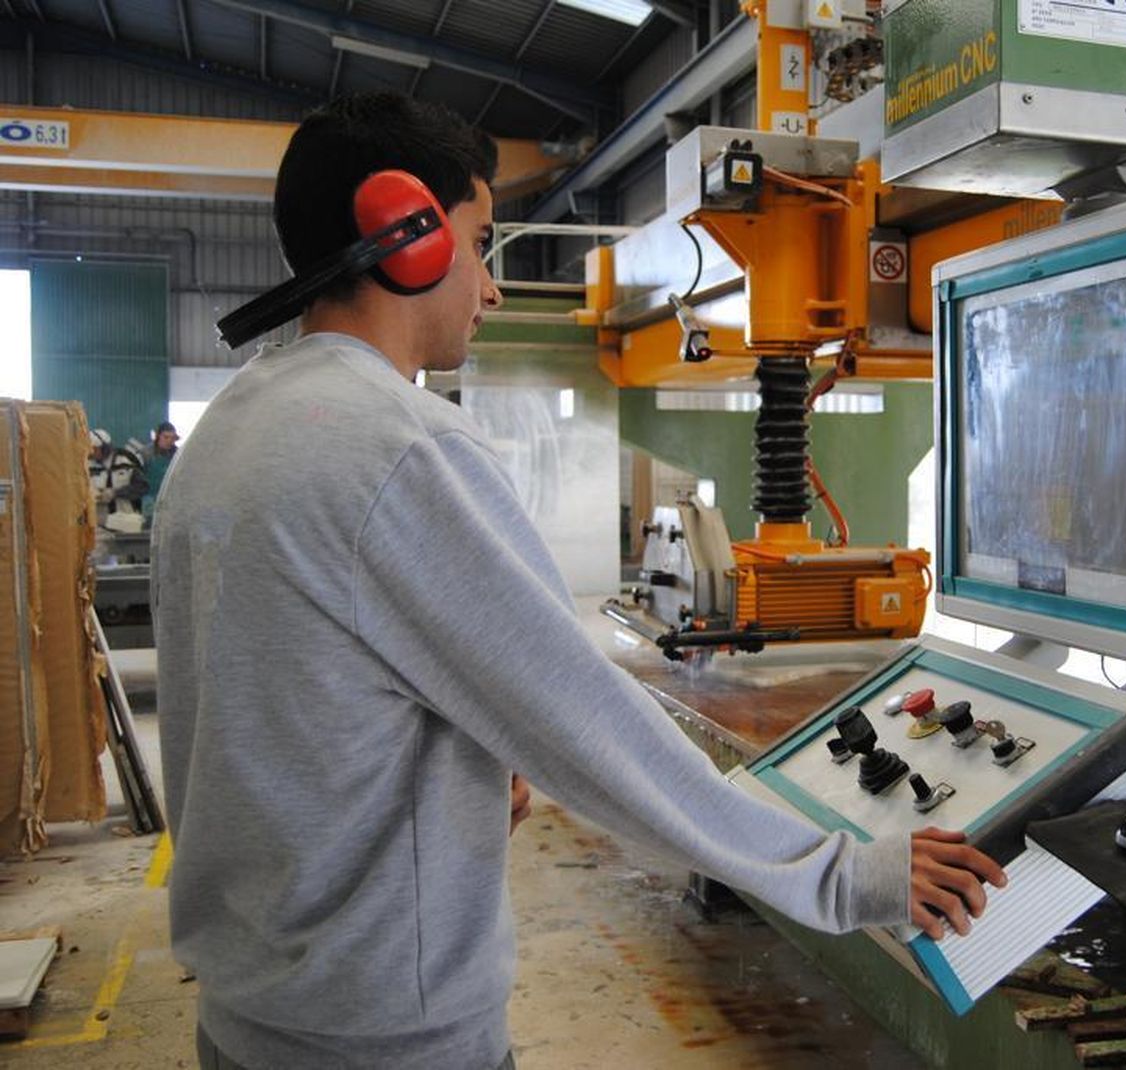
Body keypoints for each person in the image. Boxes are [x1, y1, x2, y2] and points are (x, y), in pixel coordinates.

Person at [154, 91, 1005, 1070]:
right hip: (387, 1035)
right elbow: (587, 720)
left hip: (250, 1020)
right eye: (479, 243)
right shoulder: (401, 449)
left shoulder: (231, 427)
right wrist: (845, 872)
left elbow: (283, 706)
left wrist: (457, 773)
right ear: (405, 232)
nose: (492, 286)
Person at [141, 420, 179, 523]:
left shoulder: (178, 455)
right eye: (166, 437)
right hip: (149, 500)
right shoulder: (146, 454)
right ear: (158, 436)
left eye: (172, 438)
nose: (169, 441)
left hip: (171, 500)